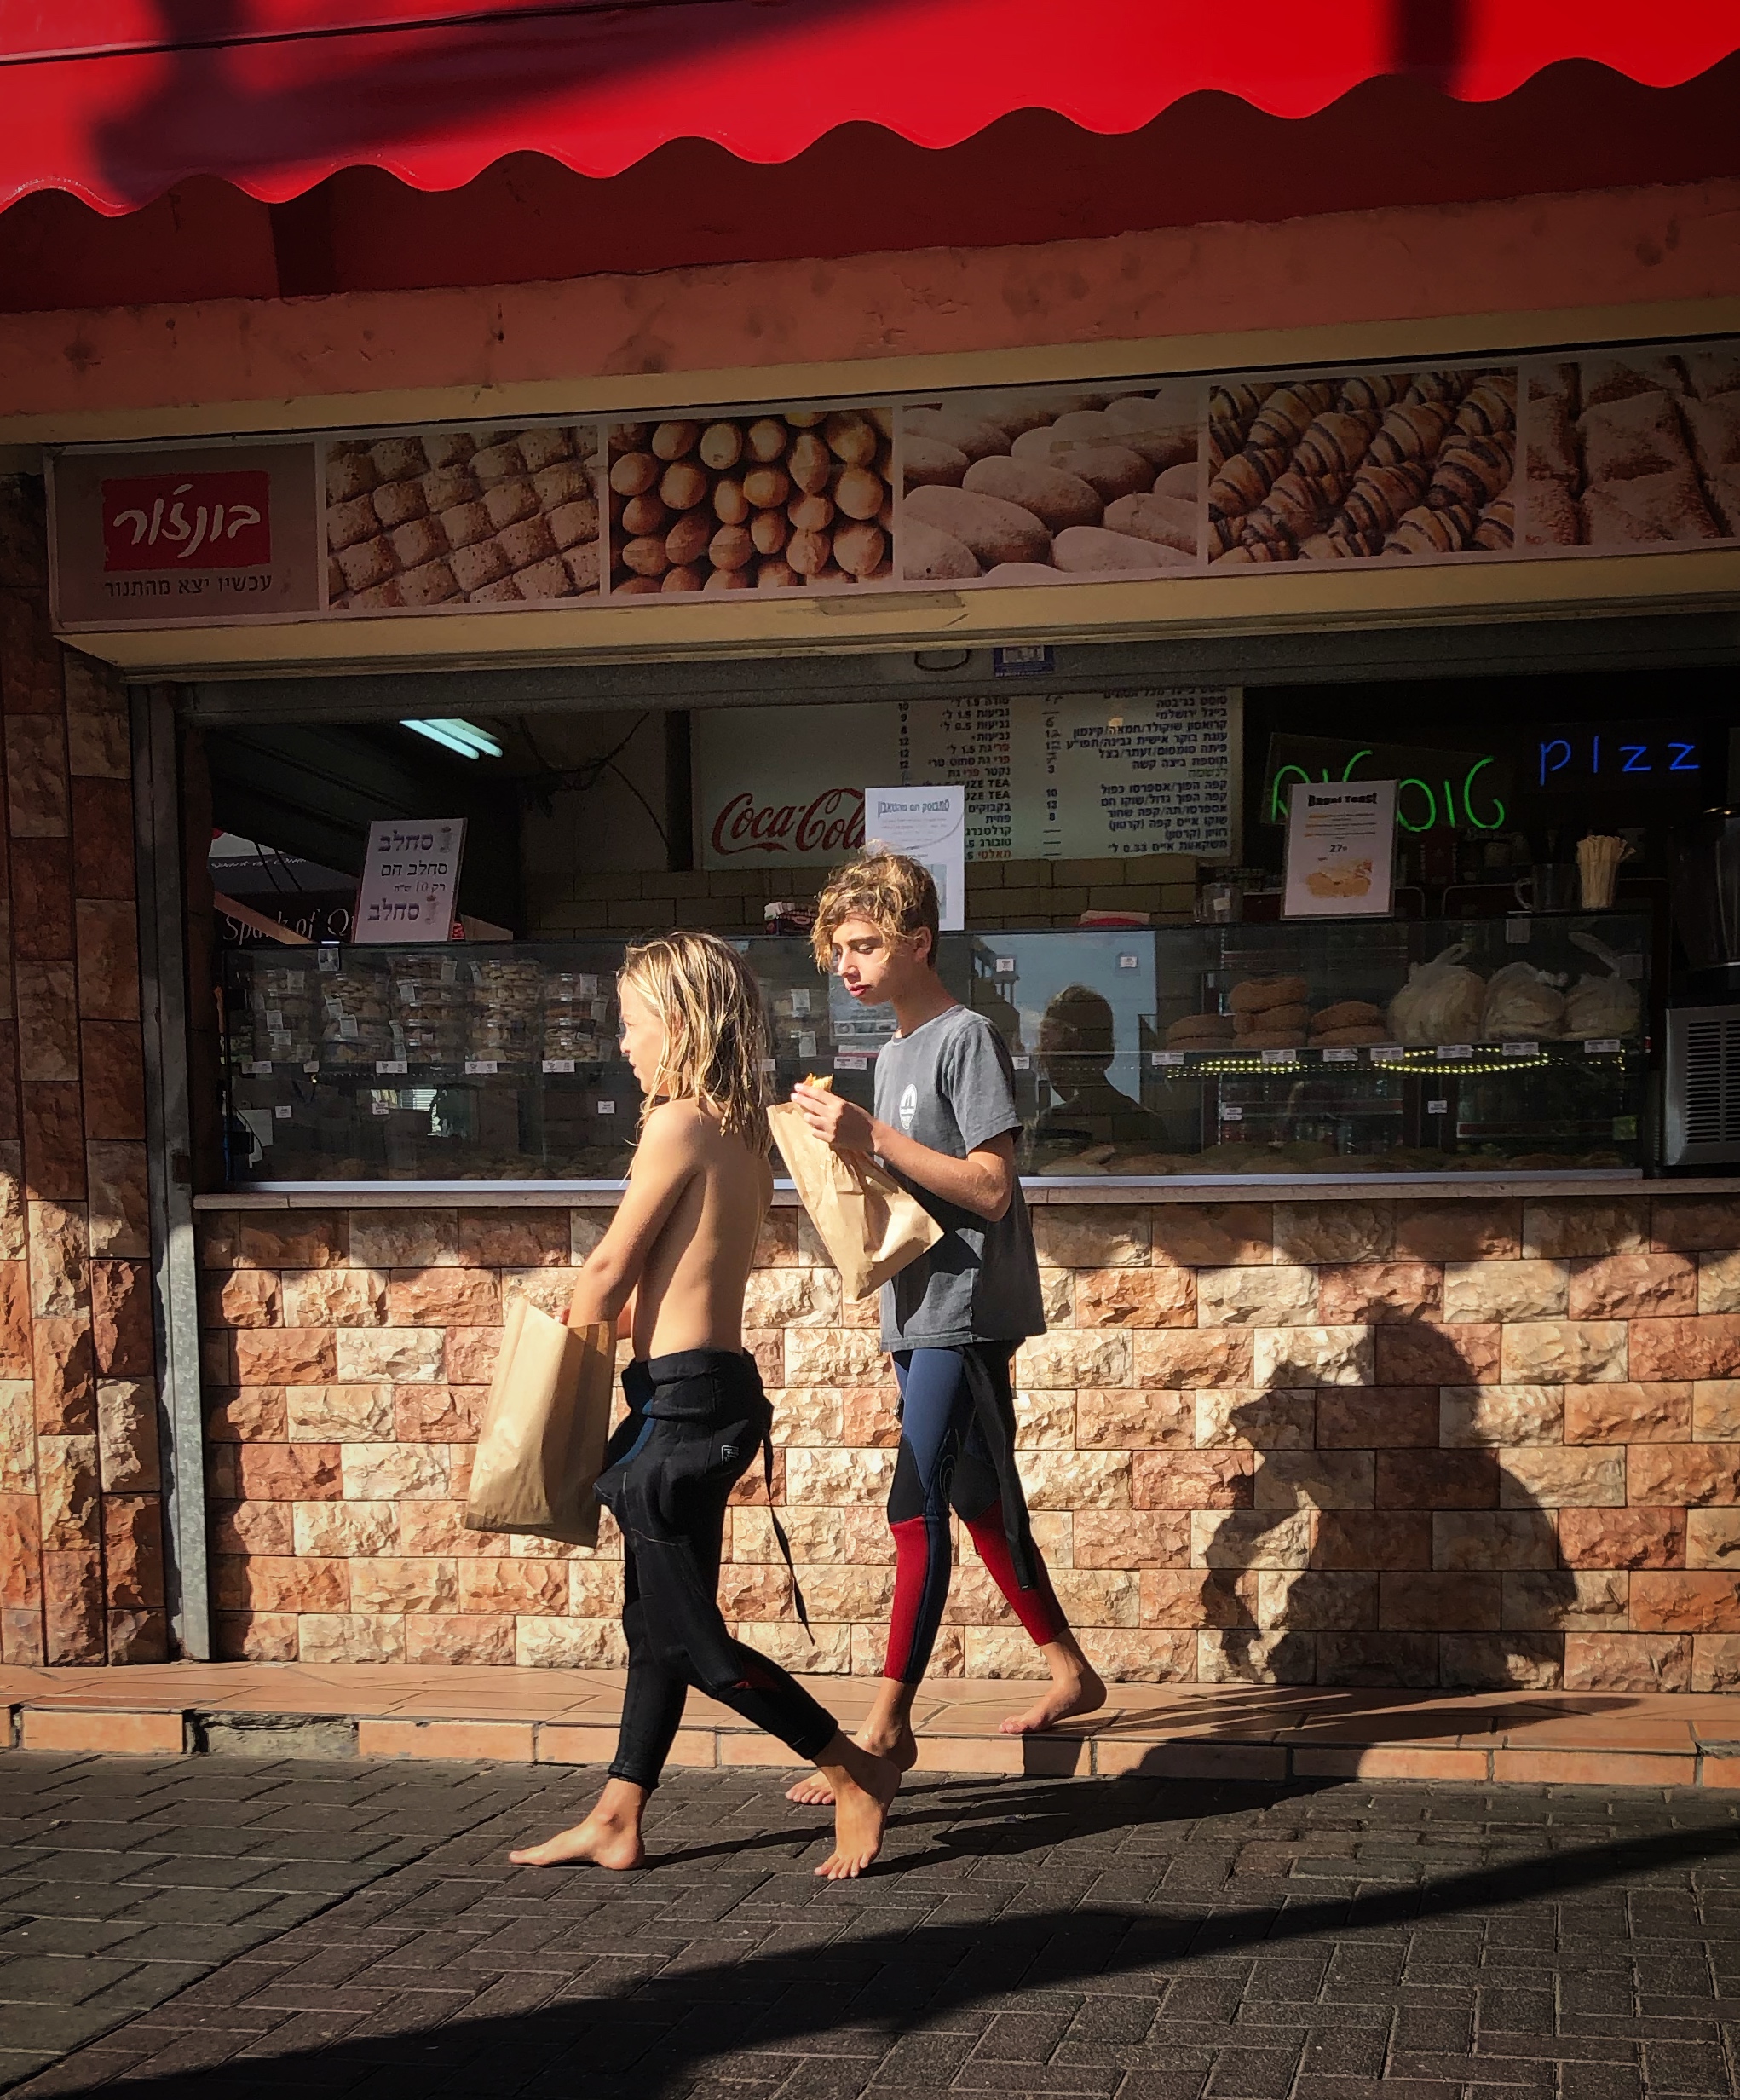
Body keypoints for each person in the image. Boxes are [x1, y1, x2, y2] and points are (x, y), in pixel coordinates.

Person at [509, 931, 899, 1880]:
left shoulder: (677, 1121)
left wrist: (546, 1363)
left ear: (678, 1024)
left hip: (682, 1410)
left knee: (689, 1636)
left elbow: (611, 1268)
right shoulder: (735, 1127)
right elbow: (679, 1276)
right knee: (655, 1623)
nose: (624, 1045)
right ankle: (616, 1812)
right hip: (698, 1392)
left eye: (633, 1025)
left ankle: (850, 1768)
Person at [784, 851, 1105, 1807]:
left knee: (911, 1507)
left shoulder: (967, 1037)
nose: (845, 964)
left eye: (863, 944)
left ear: (916, 941)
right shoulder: (887, 1055)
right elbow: (911, 1185)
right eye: (836, 948)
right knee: (973, 1501)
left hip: (962, 1316)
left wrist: (871, 1137)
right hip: (914, 1308)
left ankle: (885, 1726)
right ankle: (1070, 1670)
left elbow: (992, 1186)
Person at [1028, 982, 1170, 1160]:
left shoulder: (1052, 1121)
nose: (1044, 1058)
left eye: (1049, 1046)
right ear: (1109, 1052)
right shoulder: (1147, 1122)